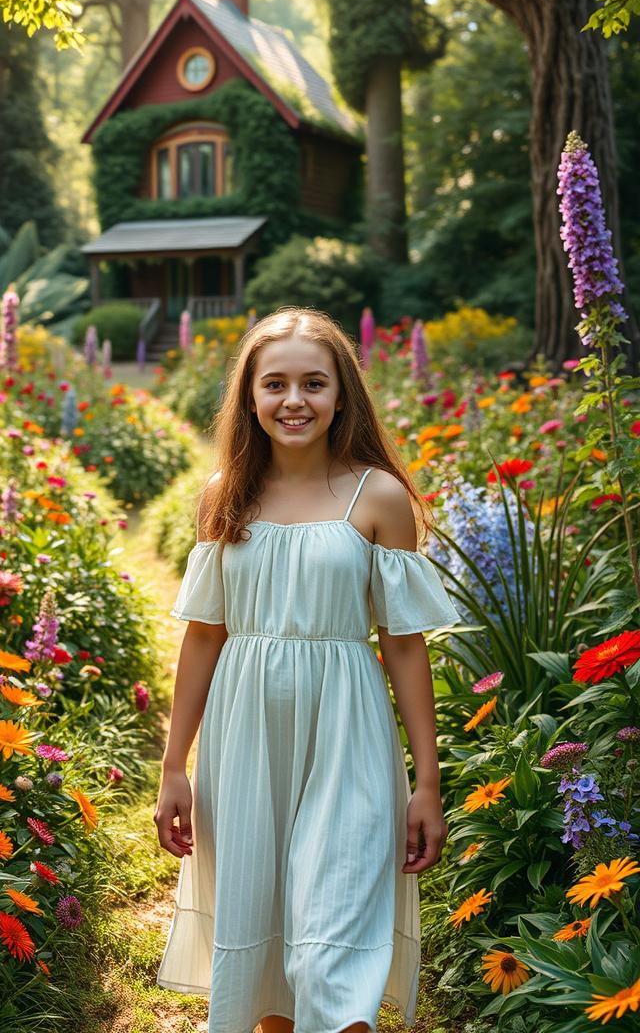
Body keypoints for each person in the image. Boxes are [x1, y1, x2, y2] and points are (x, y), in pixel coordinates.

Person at [154, 306, 462, 1033]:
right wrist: (175, 765)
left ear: (341, 394)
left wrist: (428, 782)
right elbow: (203, 636)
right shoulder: (223, 497)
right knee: (265, 952)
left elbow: (404, 646)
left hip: (347, 730)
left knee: (332, 952)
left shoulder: (377, 497)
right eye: (276, 384)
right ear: (251, 397)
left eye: (314, 383)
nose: (295, 400)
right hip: (245, 733)